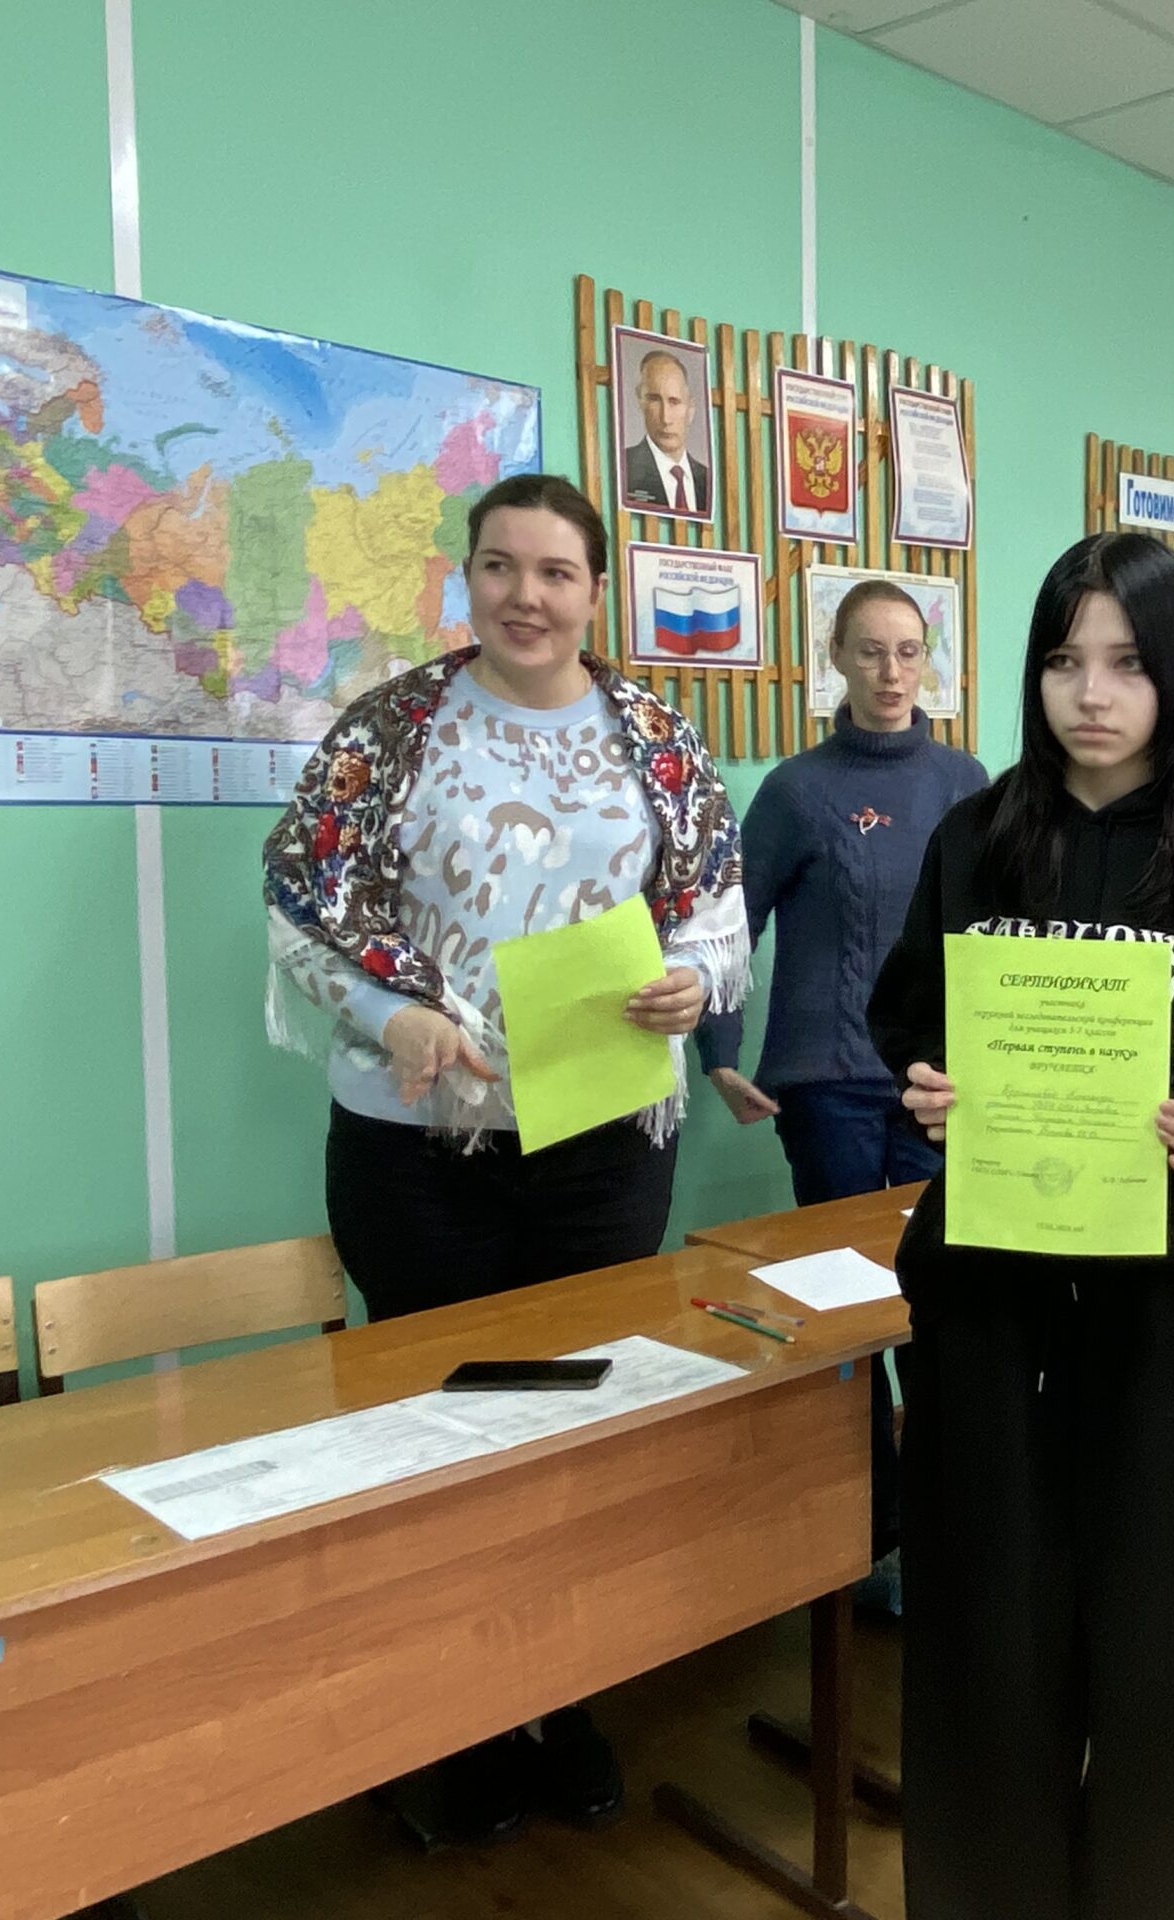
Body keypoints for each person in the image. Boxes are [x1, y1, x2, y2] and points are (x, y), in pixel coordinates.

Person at [260, 470, 745, 1844]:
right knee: (438, 1426)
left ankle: (559, 1699)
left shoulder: (656, 736)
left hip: (602, 1147)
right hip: (418, 1149)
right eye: (499, 566)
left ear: (595, 590)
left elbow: (714, 910)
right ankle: (453, 1722)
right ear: (466, 575)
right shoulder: (392, 729)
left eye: (555, 572)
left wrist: (693, 983)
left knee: (568, 1420)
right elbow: (300, 903)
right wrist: (392, 1014)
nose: (525, 596)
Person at [867, 531, 1174, 1920]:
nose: (1091, 693)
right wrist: (929, 1084)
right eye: (1064, 661)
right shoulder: (976, 837)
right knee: (989, 1651)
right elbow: (908, 1012)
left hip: (1170, 1316)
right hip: (994, 1305)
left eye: (1127, 663)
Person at [696, 580, 987, 1605]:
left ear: (927, 661)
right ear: (837, 658)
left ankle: (948, 1522)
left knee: (942, 1302)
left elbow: (996, 929)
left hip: (936, 1090)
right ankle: (871, 1539)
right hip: (827, 1088)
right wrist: (718, 1048)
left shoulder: (965, 782)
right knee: (851, 1318)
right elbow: (729, 924)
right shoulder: (797, 790)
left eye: (908, 651)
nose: (891, 672)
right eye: (870, 651)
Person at [620, 347, 711, 515]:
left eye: (674, 402)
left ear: (691, 410)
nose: (665, 418)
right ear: (640, 402)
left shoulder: (707, 480)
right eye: (654, 400)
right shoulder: (624, 467)